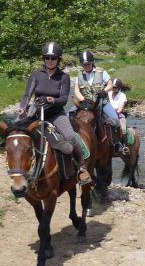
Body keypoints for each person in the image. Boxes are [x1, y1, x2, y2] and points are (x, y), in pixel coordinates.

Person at [17, 41, 92, 186]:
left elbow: (64, 99)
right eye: (47, 57)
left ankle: (82, 169)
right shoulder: (36, 75)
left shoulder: (64, 77)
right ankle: (16, 166)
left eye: (53, 58)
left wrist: (53, 100)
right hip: (37, 111)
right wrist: (22, 107)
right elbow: (27, 94)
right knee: (17, 130)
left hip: (56, 113)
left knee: (70, 136)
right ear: (43, 58)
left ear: (59, 59)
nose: (50, 61)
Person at [73, 51, 120, 127]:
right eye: (84, 64)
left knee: (116, 119)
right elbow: (76, 91)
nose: (86, 66)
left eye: (88, 64)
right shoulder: (79, 75)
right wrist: (83, 100)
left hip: (102, 102)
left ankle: (120, 138)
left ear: (92, 62)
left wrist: (104, 91)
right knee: (69, 115)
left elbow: (110, 84)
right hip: (86, 104)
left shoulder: (102, 72)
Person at [107, 77, 129, 154]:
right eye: (112, 87)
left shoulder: (122, 95)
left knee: (123, 128)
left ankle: (124, 145)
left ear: (119, 88)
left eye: (115, 87)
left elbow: (120, 109)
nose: (113, 89)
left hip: (119, 115)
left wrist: (114, 113)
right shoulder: (108, 94)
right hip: (107, 115)